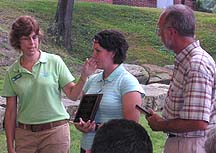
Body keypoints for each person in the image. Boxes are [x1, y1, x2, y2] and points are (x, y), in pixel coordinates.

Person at [1, 15, 97, 153]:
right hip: (25, 135)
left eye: (34, 37)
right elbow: (10, 113)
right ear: (17, 41)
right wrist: (10, 146)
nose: (31, 43)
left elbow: (73, 95)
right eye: (25, 38)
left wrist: (84, 76)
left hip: (55, 133)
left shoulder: (54, 62)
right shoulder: (12, 72)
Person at [146, 4, 216, 153]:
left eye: (160, 30)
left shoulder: (196, 64)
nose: (159, 34)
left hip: (190, 145)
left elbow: (198, 122)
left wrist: (161, 125)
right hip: (184, 143)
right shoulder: (187, 60)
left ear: (171, 32)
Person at [74, 29, 145, 153]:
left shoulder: (128, 82)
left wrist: (95, 127)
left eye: (98, 51)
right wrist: (81, 124)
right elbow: (82, 115)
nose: (93, 55)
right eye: (93, 50)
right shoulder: (92, 80)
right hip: (86, 148)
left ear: (113, 53)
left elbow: (131, 128)